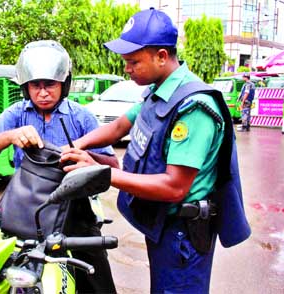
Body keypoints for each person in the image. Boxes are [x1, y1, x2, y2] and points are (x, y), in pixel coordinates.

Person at [60, 8, 251, 293]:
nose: (127, 69)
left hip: (183, 234)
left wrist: (101, 173)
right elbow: (119, 127)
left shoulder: (193, 107)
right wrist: (75, 146)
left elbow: (174, 186)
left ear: (162, 56)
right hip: (163, 225)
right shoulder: (159, 92)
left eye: (133, 61)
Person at [0, 40, 117, 293]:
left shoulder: (81, 117)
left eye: (50, 85)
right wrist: (9, 136)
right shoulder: (16, 114)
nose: (43, 92)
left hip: (75, 216)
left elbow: (112, 165)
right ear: (26, 88)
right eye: (36, 85)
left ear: (64, 84)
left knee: (97, 282)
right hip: (24, 215)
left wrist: (86, 159)